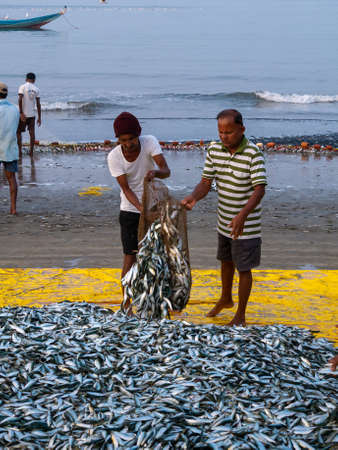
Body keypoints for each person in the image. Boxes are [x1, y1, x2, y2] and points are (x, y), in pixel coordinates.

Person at [182, 109, 267, 326]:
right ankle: (226, 298)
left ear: (241, 129)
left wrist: (241, 216)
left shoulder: (253, 154)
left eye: (229, 132)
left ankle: (240, 314)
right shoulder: (214, 150)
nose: (224, 136)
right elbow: (206, 182)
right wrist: (194, 197)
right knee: (225, 261)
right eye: (220, 132)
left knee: (244, 268)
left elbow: (259, 190)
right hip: (223, 221)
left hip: (246, 226)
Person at [107, 112, 170, 311]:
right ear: (118, 139)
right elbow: (126, 189)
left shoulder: (150, 142)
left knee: (155, 255)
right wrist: (142, 210)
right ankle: (126, 302)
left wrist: (156, 172)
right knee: (130, 256)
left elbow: (166, 170)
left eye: (132, 139)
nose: (128, 144)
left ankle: (155, 300)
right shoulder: (114, 156)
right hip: (129, 211)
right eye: (123, 140)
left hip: (154, 208)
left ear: (138, 135)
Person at [0, 82, 20, 215]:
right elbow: (17, 128)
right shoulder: (15, 109)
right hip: (10, 146)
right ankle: (13, 208)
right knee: (11, 178)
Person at [17, 72, 41, 157]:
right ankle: (31, 152)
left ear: (26, 79)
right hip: (32, 115)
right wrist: (39, 118)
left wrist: (21, 113)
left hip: (23, 115)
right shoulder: (37, 89)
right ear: (34, 80)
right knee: (32, 133)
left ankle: (19, 152)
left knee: (19, 132)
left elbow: (20, 100)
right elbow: (38, 104)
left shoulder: (22, 87)